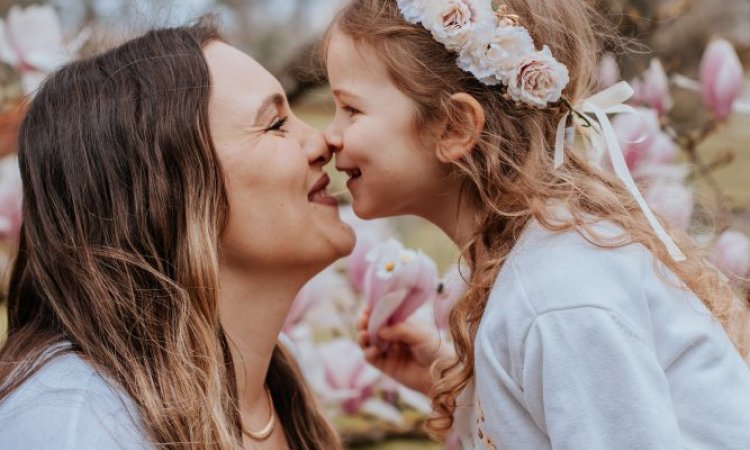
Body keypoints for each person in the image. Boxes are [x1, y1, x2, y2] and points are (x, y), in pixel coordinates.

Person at [323, 0, 750, 448]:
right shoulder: (532, 272)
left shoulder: (559, 295)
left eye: (351, 110)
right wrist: (456, 386)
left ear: (453, 127)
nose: (328, 136)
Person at [0, 20, 353, 450]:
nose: (323, 141)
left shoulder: (276, 386)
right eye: (275, 124)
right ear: (165, 194)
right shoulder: (75, 425)